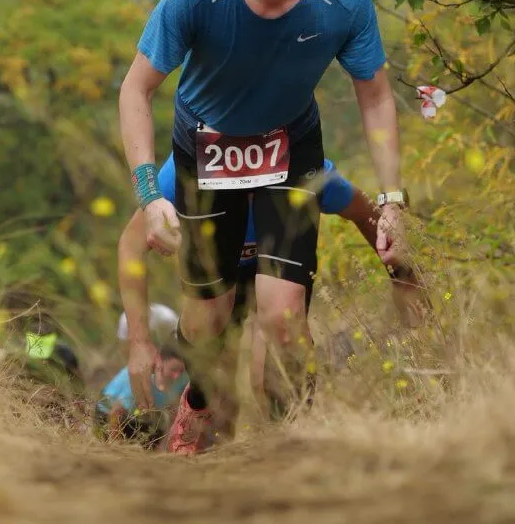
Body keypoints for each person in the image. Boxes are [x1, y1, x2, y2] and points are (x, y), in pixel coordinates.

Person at [118, 0, 413, 455]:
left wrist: (392, 202)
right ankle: (198, 403)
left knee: (283, 324)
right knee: (207, 326)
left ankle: (294, 441)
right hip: (204, 151)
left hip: (290, 148)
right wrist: (151, 196)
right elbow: (135, 91)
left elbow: (376, 96)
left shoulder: (343, 2)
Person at [119, 152, 420, 425]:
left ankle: (288, 433)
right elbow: (130, 245)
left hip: (278, 268)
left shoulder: (306, 168)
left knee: (272, 367)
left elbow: (366, 214)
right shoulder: (182, 171)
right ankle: (204, 425)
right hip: (220, 275)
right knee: (219, 385)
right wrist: (139, 341)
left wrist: (403, 277)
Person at [95, 343, 187, 448]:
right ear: (159, 362)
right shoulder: (139, 378)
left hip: (139, 417)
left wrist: (163, 446)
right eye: (173, 369)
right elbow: (115, 414)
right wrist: (117, 448)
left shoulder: (181, 380)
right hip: (107, 417)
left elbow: (174, 415)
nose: (177, 376)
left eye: (181, 371)